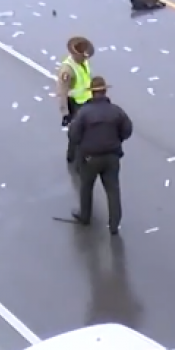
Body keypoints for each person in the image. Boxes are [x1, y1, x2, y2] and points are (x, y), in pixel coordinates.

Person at [67, 77, 133, 235]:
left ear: (91, 93)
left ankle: (85, 216)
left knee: (86, 186)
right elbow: (127, 130)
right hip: (112, 156)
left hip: (90, 157)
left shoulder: (84, 113)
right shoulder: (116, 111)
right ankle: (114, 224)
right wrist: (117, 140)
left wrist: (81, 145)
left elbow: (74, 135)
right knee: (113, 189)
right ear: (105, 91)